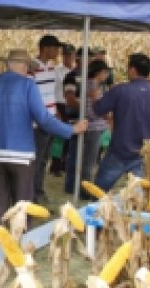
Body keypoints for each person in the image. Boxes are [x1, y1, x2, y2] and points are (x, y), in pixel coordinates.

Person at [0, 49, 88, 247]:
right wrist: (71, 129)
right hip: (21, 154)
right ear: (24, 67)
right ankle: (21, 245)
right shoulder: (27, 85)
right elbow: (43, 119)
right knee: (22, 202)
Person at [92, 53, 150, 191]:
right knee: (139, 196)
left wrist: (94, 90)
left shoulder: (119, 90)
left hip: (119, 151)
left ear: (132, 70)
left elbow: (98, 109)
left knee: (98, 192)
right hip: (145, 155)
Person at [63, 57, 110, 198]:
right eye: (105, 72)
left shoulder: (85, 84)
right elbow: (95, 110)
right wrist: (107, 116)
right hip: (93, 127)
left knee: (75, 157)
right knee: (89, 161)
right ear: (100, 72)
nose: (107, 76)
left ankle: (71, 186)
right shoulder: (94, 87)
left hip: (83, 125)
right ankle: (84, 191)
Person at [31, 34, 62, 203]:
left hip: (50, 119)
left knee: (44, 160)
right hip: (39, 122)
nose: (57, 51)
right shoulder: (32, 69)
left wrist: (55, 112)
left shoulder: (51, 68)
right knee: (37, 160)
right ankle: (33, 194)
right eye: (55, 48)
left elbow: (50, 95)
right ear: (45, 49)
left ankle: (39, 190)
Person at [50, 43, 75, 177]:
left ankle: (65, 163)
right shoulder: (57, 71)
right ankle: (55, 165)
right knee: (59, 137)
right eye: (65, 55)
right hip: (59, 104)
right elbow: (52, 91)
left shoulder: (76, 71)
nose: (68, 58)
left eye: (70, 55)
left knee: (70, 136)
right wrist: (56, 110)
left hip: (71, 105)